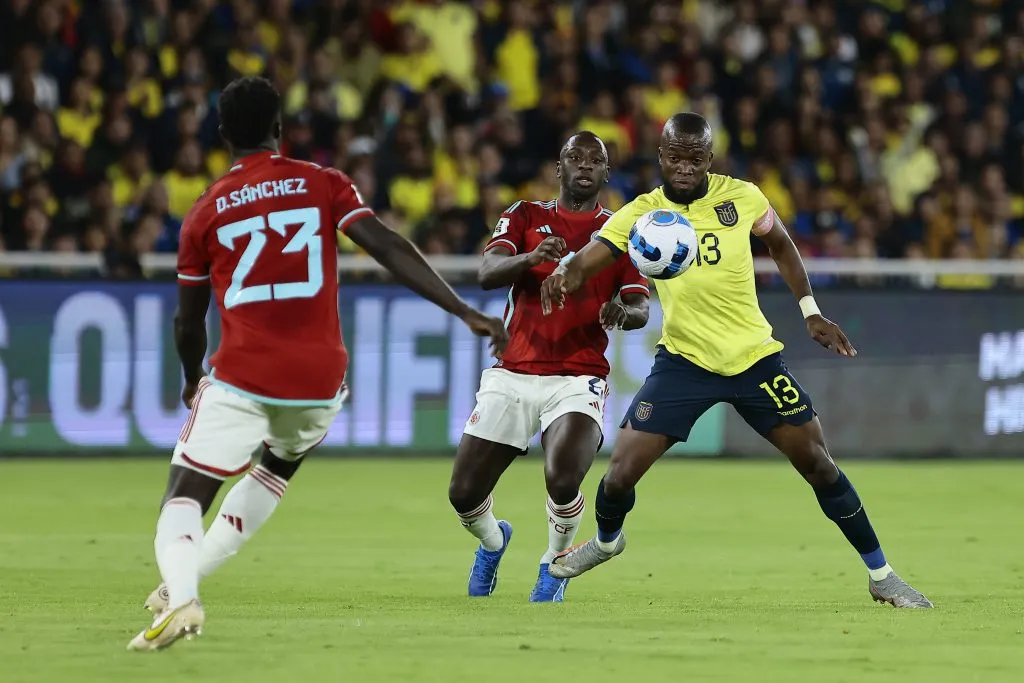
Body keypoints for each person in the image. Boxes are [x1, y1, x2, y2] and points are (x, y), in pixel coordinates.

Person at [128, 76, 508, 652]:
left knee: (183, 496)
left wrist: (190, 378)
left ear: (223, 134)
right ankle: (182, 584)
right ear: (280, 128)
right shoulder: (322, 182)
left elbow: (188, 321)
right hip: (320, 382)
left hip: (245, 373)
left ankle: (182, 597)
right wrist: (463, 310)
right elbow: (387, 246)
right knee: (275, 470)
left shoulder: (204, 211)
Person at [538, 113, 932, 609]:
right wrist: (565, 274)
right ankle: (606, 542)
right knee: (618, 476)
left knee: (818, 463)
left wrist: (810, 311)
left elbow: (781, 244)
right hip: (684, 362)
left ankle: (882, 576)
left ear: (709, 158)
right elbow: (592, 257)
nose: (684, 168)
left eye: (695, 159)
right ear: (661, 157)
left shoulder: (742, 197)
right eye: (675, 158)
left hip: (753, 359)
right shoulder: (642, 213)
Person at [449, 132, 649, 602]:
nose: (585, 165)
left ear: (606, 172)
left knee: (562, 475)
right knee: (463, 493)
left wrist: (622, 312)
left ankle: (554, 566)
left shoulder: (620, 233)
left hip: (578, 377)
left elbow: (641, 307)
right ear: (558, 169)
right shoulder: (523, 215)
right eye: (575, 157)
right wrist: (531, 257)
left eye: (596, 159)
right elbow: (486, 273)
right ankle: (493, 542)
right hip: (513, 371)